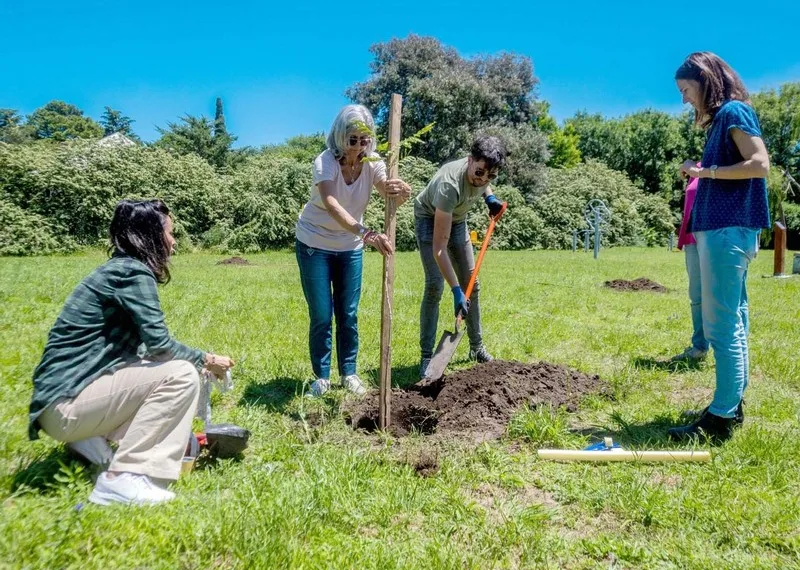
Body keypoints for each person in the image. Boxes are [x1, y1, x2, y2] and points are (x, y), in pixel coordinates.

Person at [29, 199, 235, 505]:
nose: (174, 241)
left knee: (165, 371)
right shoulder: (133, 273)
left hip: (56, 404)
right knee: (180, 375)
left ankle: (89, 442)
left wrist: (175, 431)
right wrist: (207, 360)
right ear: (150, 235)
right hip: (66, 406)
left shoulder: (117, 270)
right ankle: (124, 479)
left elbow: (143, 355)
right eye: (170, 232)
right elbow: (161, 346)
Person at [669, 52, 770, 441]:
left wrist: (704, 171)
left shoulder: (733, 112)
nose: (684, 100)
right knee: (735, 319)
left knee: (721, 326)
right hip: (727, 231)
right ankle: (732, 403)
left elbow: (759, 164)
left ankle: (721, 418)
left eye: (685, 90)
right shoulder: (725, 119)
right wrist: (705, 168)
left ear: (705, 80)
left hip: (727, 232)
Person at [295, 104, 412, 397]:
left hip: (350, 247)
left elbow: (387, 192)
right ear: (339, 137)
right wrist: (367, 233)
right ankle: (321, 378)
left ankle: (349, 373)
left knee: (348, 313)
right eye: (352, 140)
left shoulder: (373, 162)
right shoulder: (325, 162)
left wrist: (401, 192)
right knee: (322, 313)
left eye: (364, 140)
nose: (359, 146)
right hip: (315, 243)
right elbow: (332, 205)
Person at [414, 135, 508, 378]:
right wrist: (455, 289)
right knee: (435, 285)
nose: (483, 180)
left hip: (457, 220)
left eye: (491, 176)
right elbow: (439, 249)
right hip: (430, 217)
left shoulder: (482, 174)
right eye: (479, 173)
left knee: (472, 285)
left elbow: (485, 178)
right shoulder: (449, 186)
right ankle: (426, 357)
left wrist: (490, 198)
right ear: (469, 161)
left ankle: (476, 348)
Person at [670, 163, 709, 362]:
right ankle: (700, 346)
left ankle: (728, 351)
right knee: (696, 295)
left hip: (714, 238)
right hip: (693, 239)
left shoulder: (723, 166)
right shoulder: (696, 170)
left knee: (721, 297)